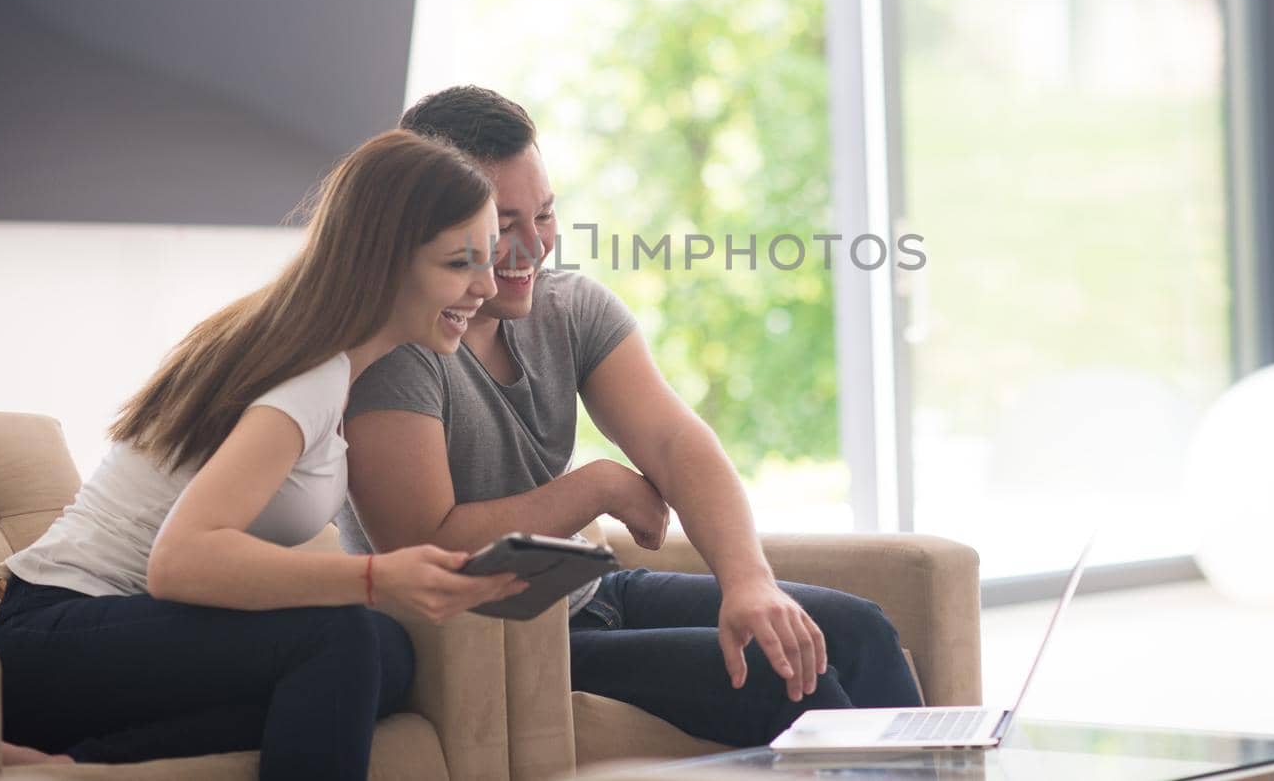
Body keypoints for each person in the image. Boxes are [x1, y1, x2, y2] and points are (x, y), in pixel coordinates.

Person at [337, 88, 921, 749]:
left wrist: (749, 583)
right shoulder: (396, 352)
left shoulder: (569, 310)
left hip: (593, 590)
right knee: (788, 677)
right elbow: (430, 547)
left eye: (546, 214)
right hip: (495, 640)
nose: (534, 246)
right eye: (503, 225)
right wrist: (600, 486)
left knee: (859, 630)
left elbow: (675, 442)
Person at [0, 130, 525, 780]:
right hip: (51, 640)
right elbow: (181, 562)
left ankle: (77, 764)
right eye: (460, 263)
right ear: (385, 258)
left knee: (386, 652)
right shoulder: (311, 376)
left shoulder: (327, 359)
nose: (486, 287)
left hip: (99, 641)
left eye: (489, 260)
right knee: (346, 635)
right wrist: (376, 580)